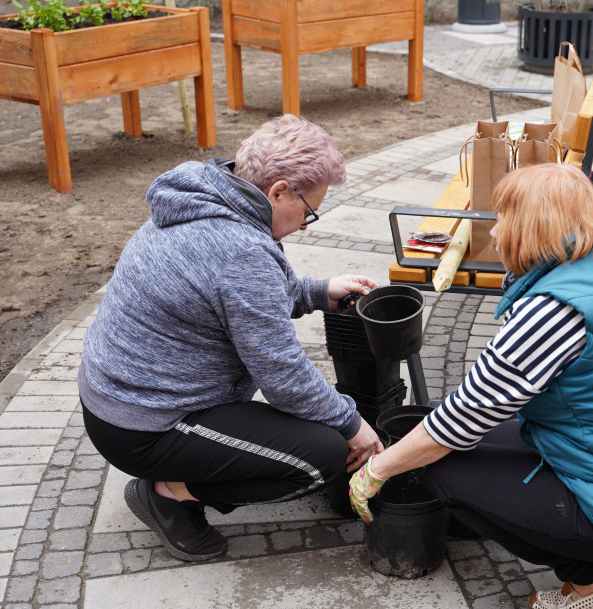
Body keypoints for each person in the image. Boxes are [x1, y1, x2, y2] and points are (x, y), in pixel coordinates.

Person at [349, 163, 593, 609]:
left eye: (503, 218)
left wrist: (376, 470)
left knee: (440, 468)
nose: (496, 230)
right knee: (495, 436)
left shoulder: (553, 312)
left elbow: (460, 419)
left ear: (530, 228)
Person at [80, 114, 384, 562]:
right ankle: (169, 493)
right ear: (279, 190)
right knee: (323, 454)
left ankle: (177, 476)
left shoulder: (204, 197)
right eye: (309, 210)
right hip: (148, 425)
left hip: (118, 402)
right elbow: (282, 375)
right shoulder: (241, 250)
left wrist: (320, 291)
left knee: (322, 429)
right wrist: (354, 426)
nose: (306, 223)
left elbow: (236, 297)